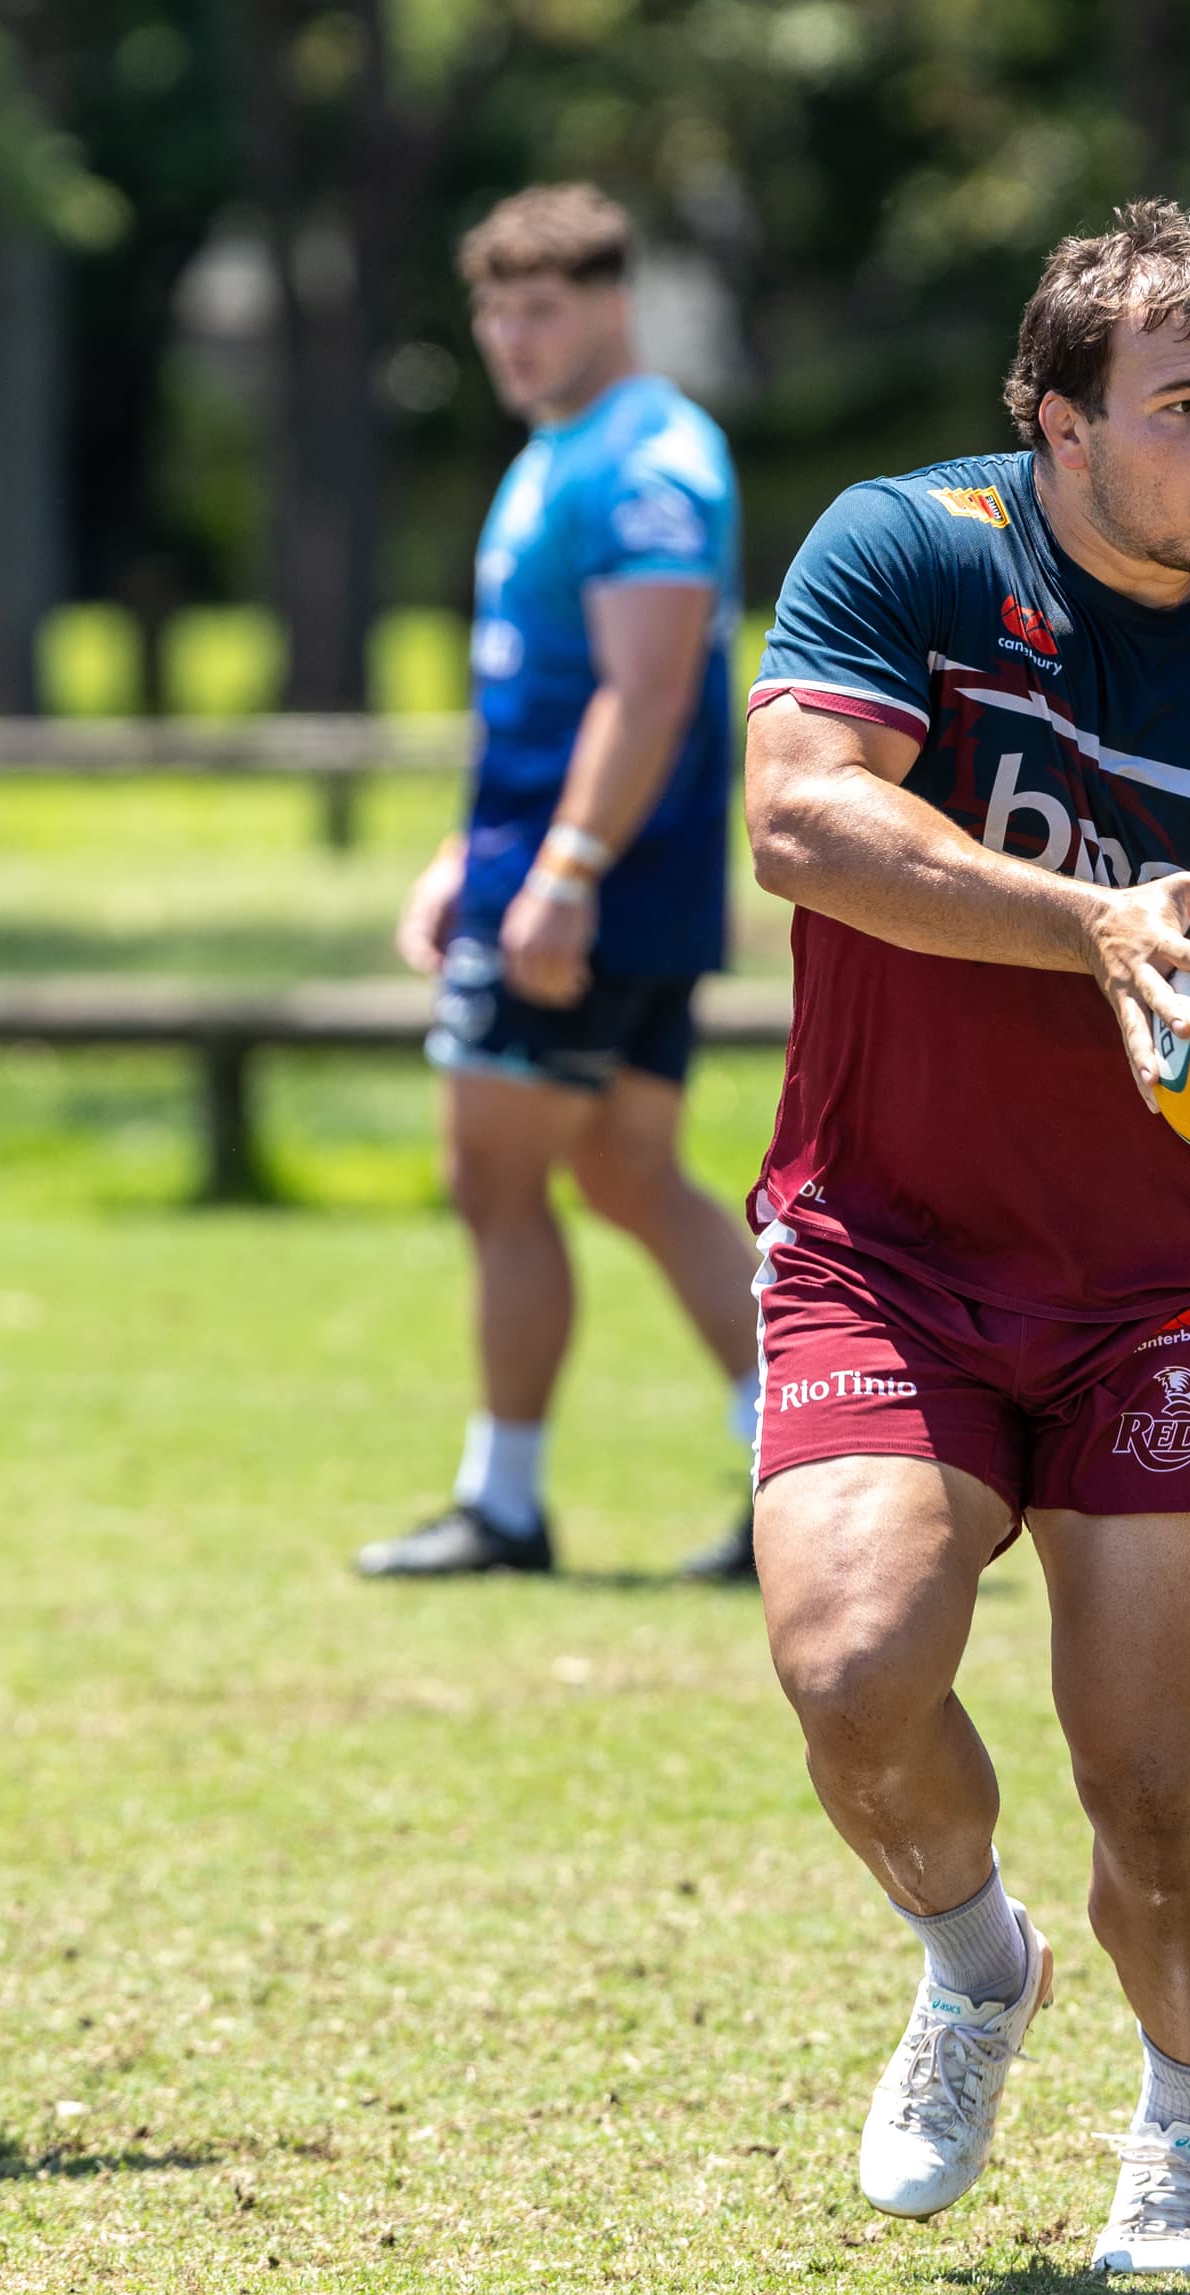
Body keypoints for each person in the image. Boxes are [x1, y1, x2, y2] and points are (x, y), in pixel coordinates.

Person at [740, 202, 1190, 2275]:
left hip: (1162, 1289)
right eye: (1180, 407)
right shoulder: (913, 555)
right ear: (1055, 421)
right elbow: (801, 820)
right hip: (892, 1239)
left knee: (1152, 1787)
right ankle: (975, 1963)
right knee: (856, 1667)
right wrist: (1096, 922)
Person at [365, 185, 758, 1582]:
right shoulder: (559, 452)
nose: (513, 338)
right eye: (495, 310)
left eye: (542, 309)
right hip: (556, 873)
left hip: (596, 888)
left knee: (492, 1181)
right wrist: (464, 857)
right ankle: (811, 1477)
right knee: (631, 1172)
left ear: (612, 304)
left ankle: (506, 1505)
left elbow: (646, 695)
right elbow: (537, 698)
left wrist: (564, 871)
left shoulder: (650, 456)